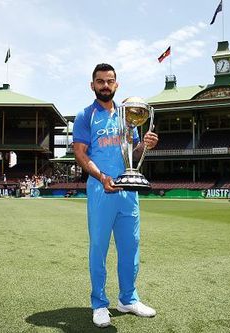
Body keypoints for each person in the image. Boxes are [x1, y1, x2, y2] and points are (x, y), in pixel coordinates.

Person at [73, 63, 159, 328]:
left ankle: (128, 299)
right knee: (98, 248)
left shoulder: (127, 116)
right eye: (100, 81)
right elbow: (80, 153)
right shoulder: (85, 116)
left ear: (116, 84)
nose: (105, 85)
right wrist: (102, 177)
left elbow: (132, 157)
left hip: (127, 192)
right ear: (93, 85)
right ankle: (99, 304)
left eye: (110, 81)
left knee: (130, 248)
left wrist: (144, 144)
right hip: (100, 189)